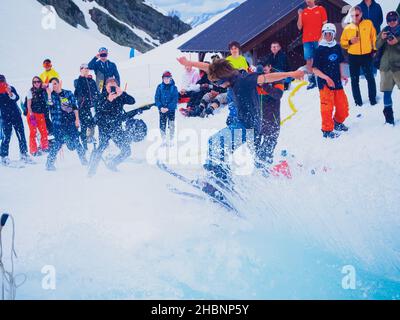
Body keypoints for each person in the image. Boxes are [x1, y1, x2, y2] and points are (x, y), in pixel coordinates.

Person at [176, 57, 304, 181]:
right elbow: (209, 67)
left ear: (225, 77)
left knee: (216, 143)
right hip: (241, 122)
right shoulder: (231, 74)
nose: (220, 86)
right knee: (215, 144)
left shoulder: (245, 79)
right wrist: (188, 62)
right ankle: (217, 177)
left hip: (249, 126)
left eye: (219, 83)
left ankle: (219, 181)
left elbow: (267, 78)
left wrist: (292, 74)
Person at [88, 78, 135, 176]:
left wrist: (122, 93)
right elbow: (99, 110)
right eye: (110, 86)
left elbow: (132, 101)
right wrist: (109, 100)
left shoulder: (120, 96)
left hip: (116, 127)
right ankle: (91, 171)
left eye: (114, 86)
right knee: (101, 147)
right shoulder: (100, 97)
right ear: (106, 87)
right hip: (104, 127)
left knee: (127, 151)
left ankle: (112, 164)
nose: (112, 88)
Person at [313, 23, 350, 139]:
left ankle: (338, 122)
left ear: (334, 34)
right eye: (326, 34)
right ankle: (327, 129)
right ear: (323, 34)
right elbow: (314, 69)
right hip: (325, 83)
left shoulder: (337, 47)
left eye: (330, 34)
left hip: (337, 82)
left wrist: (342, 75)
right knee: (327, 107)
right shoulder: (319, 50)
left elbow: (338, 62)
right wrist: (327, 78)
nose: (328, 36)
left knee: (343, 107)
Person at [45, 77, 87, 171]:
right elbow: (49, 105)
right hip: (58, 124)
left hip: (70, 122)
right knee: (58, 143)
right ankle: (49, 164)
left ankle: (83, 160)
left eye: (55, 83)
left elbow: (74, 107)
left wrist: (77, 119)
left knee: (76, 141)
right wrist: (48, 93)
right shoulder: (50, 95)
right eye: (52, 84)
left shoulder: (68, 93)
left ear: (59, 83)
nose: (54, 86)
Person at [341, 6, 377, 106]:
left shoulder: (368, 23)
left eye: (357, 15)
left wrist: (374, 49)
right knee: (354, 80)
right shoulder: (348, 28)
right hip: (353, 57)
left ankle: (373, 99)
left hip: (366, 55)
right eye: (352, 16)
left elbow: (373, 37)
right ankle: (358, 102)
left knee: (370, 78)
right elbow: (343, 42)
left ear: (361, 14)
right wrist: (350, 42)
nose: (355, 17)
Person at [0, 75, 32, 165]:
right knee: (6, 137)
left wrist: (10, 93)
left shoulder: (10, 88)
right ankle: (4, 156)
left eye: (3, 80)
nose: (2, 83)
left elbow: (16, 98)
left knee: (21, 135)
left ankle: (24, 154)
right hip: (5, 118)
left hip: (16, 116)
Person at [256, 65, 285, 166]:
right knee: (254, 148)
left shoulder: (277, 78)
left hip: (272, 119)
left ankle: (266, 168)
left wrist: (264, 85)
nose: (264, 71)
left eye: (265, 68)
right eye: (261, 69)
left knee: (269, 146)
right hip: (257, 120)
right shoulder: (255, 78)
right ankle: (256, 168)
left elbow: (278, 94)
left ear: (270, 67)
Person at [297, 0, 328, 90]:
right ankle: (312, 81)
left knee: (321, 59)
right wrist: (299, 15)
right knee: (309, 61)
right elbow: (299, 26)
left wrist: (322, 37)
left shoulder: (320, 9)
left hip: (319, 39)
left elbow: (325, 24)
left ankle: (323, 78)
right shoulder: (304, 12)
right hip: (307, 40)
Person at [376, 11, 400, 125]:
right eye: (389, 20)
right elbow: (376, 45)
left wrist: (397, 41)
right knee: (386, 93)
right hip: (385, 67)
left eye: (394, 20)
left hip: (399, 67)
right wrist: (382, 38)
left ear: (398, 19)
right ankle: (389, 119)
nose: (392, 22)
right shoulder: (385, 30)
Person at [74, 63, 99, 150]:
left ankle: (90, 137)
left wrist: (97, 100)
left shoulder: (92, 81)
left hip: (92, 107)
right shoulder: (78, 81)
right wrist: (82, 77)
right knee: (84, 126)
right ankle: (84, 145)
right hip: (83, 108)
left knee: (93, 123)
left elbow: (96, 92)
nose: (86, 69)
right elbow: (76, 93)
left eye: (87, 68)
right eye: (84, 68)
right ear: (81, 70)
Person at [26, 76, 49, 156]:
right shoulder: (30, 91)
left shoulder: (44, 90)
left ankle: (45, 147)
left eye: (38, 81)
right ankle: (33, 150)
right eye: (34, 82)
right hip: (32, 114)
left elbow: (51, 87)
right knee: (33, 132)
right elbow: (28, 105)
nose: (36, 83)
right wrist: (31, 116)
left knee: (44, 131)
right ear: (33, 83)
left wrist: (46, 86)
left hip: (41, 114)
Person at [155, 71, 179, 145]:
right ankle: (163, 138)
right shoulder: (159, 87)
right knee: (162, 123)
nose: (166, 80)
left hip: (171, 110)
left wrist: (168, 108)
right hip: (162, 109)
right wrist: (160, 107)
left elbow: (175, 100)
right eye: (165, 78)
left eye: (168, 78)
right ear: (162, 79)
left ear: (170, 79)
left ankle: (171, 139)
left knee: (171, 124)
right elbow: (157, 98)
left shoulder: (174, 88)